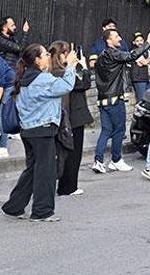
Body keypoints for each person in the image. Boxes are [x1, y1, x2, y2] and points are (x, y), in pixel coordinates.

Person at [1, 44, 77, 222]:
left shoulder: (24, 78)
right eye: (45, 54)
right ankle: (42, 211)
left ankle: (14, 206)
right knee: (46, 171)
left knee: (32, 170)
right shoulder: (41, 79)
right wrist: (71, 66)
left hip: (27, 130)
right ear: (37, 60)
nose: (48, 56)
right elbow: (66, 86)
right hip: (42, 130)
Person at [91, 29, 150, 174]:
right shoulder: (113, 54)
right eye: (116, 36)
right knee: (119, 130)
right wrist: (148, 42)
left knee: (106, 130)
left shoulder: (101, 56)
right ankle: (116, 160)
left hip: (102, 99)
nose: (119, 39)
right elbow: (132, 56)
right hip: (114, 99)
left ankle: (98, 161)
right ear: (108, 40)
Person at [48, 42, 93, 197]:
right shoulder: (64, 73)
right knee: (74, 154)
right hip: (74, 118)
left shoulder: (51, 72)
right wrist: (84, 66)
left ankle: (63, 185)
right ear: (61, 55)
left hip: (62, 118)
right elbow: (85, 84)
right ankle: (68, 187)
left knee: (63, 153)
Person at [130, 33, 150, 103]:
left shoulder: (146, 50)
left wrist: (148, 60)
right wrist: (149, 59)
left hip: (147, 78)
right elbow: (145, 62)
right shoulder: (134, 52)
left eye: (141, 40)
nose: (140, 42)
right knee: (141, 99)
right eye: (137, 41)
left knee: (149, 99)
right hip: (139, 78)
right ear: (133, 42)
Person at [0, 55, 14, 159]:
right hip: (3, 84)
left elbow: (0, 87)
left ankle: (3, 148)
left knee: (2, 114)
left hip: (9, 85)